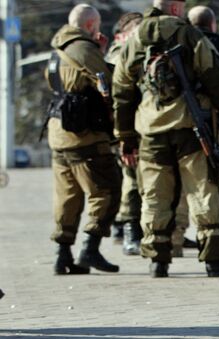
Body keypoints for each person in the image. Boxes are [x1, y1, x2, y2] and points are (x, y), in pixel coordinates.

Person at [112, 0, 219, 278]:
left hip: (150, 131)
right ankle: (215, 261)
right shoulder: (190, 34)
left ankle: (158, 260)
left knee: (156, 193)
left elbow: (121, 90)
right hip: (191, 127)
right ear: (174, 9)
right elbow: (215, 77)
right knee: (203, 190)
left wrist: (125, 136)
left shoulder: (136, 38)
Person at [45, 4, 121, 275]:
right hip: (85, 136)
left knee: (68, 197)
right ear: (91, 26)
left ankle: (62, 254)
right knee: (108, 190)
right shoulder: (83, 49)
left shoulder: (57, 49)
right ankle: (90, 248)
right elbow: (108, 85)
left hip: (59, 135)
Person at [169, 5, 219, 258]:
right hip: (215, 125)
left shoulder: (179, 44)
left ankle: (175, 239)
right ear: (213, 25)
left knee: (179, 181)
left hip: (181, 124)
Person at [105, 12, 145, 256]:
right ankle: (131, 231)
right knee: (131, 181)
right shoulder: (120, 55)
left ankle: (127, 227)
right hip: (126, 128)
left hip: (136, 125)